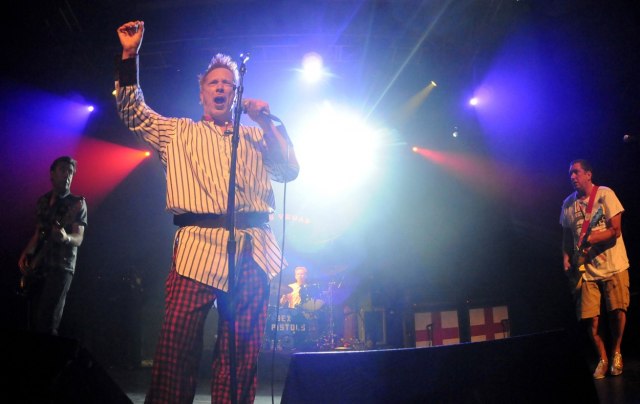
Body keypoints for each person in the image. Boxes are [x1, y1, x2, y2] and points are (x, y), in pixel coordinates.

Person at [116, 20, 299, 404]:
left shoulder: (254, 135)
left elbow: (288, 171)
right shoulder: (177, 132)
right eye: (213, 83)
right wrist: (130, 55)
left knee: (241, 349)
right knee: (177, 342)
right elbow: (133, 113)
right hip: (197, 246)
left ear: (236, 94)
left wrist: (265, 121)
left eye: (227, 84)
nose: (220, 88)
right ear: (201, 91)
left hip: (252, 248)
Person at [560, 159, 630, 379]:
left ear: (588, 174)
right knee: (591, 318)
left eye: (576, 172)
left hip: (613, 265)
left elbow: (616, 230)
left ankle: (616, 351)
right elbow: (566, 236)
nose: (572, 177)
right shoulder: (568, 204)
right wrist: (565, 257)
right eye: (570, 174)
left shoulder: (605, 195)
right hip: (586, 270)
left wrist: (592, 238)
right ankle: (603, 358)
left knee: (617, 311)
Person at [18, 156, 88, 335]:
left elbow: (79, 238)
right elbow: (38, 233)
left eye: (70, 172)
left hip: (61, 266)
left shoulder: (77, 203)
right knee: (32, 319)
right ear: (52, 174)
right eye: (63, 170)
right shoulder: (43, 201)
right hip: (40, 265)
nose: (67, 175)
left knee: (47, 321)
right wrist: (27, 253)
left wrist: (66, 238)